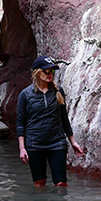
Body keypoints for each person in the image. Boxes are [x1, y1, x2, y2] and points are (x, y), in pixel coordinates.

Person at [17, 55, 85, 187]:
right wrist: (22, 148)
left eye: (52, 71)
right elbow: (20, 122)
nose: (50, 74)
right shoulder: (25, 94)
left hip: (57, 142)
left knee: (61, 183)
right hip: (35, 143)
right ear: (37, 72)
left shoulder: (58, 91)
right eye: (46, 71)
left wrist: (73, 142)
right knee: (39, 182)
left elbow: (64, 119)